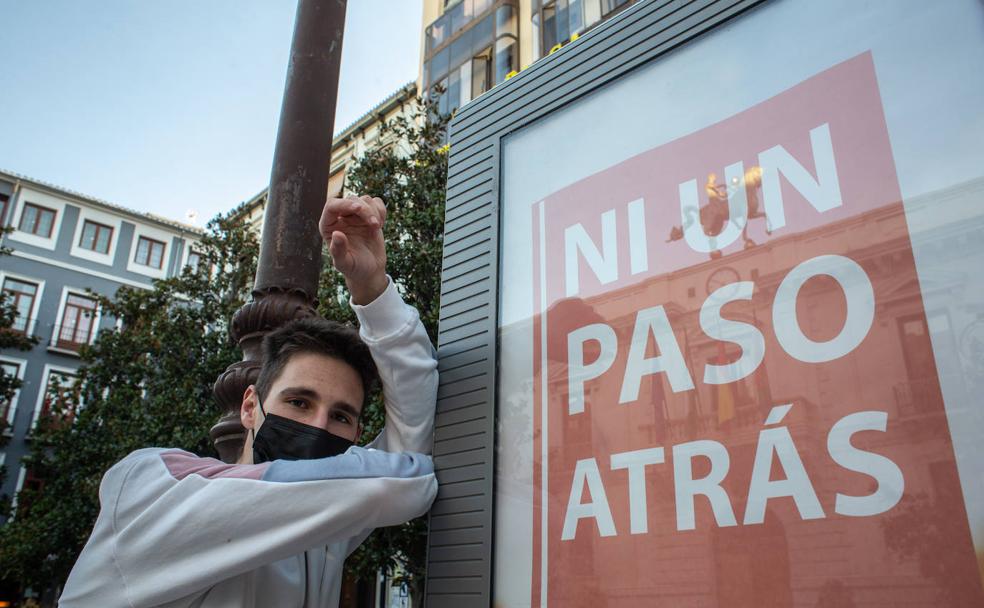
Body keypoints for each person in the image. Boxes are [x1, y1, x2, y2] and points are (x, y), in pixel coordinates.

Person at [59, 196, 439, 607]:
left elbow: (413, 429)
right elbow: (406, 480)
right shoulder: (152, 490)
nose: (317, 426)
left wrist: (371, 288)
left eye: (341, 415)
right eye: (298, 402)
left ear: (357, 432)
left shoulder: (321, 533)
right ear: (249, 406)